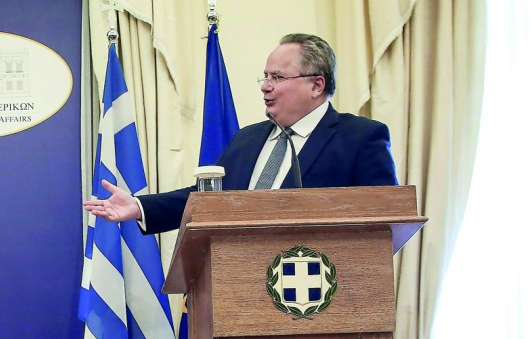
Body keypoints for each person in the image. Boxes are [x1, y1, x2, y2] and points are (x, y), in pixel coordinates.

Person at [83, 33, 398, 233]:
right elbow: (208, 201)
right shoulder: (247, 139)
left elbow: (385, 220)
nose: (265, 86)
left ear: (316, 84)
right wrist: (139, 207)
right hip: (241, 291)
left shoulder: (360, 138)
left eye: (277, 77)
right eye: (264, 77)